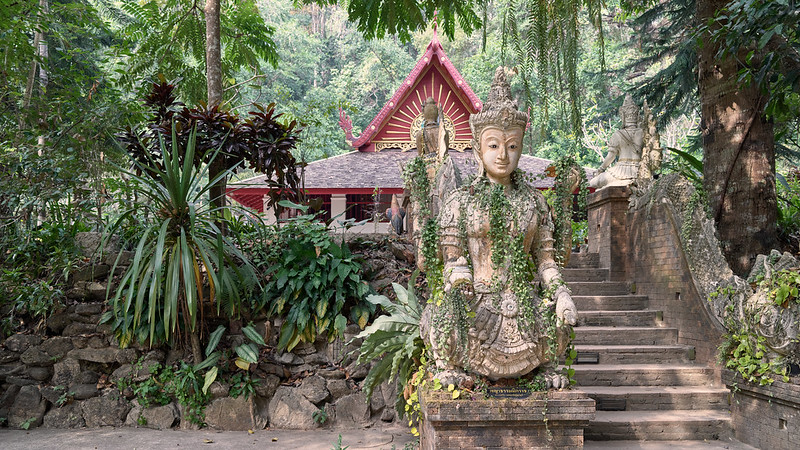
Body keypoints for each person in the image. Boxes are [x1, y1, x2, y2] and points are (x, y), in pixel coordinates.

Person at [420, 67, 576, 388]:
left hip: (524, 304)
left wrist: (560, 294)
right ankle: (455, 367)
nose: (503, 155)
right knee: (441, 321)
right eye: (493, 146)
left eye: (512, 146)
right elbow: (452, 260)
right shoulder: (460, 202)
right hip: (476, 303)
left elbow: (546, 263)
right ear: (479, 148)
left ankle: (543, 368)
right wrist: (458, 280)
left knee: (560, 325)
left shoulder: (535, 203)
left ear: (520, 147)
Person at [589, 94, 644, 190]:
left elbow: (611, 156)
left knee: (593, 182)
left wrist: (601, 169)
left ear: (623, 116)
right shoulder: (643, 133)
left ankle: (620, 182)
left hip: (619, 172)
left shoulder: (617, 134)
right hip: (641, 171)